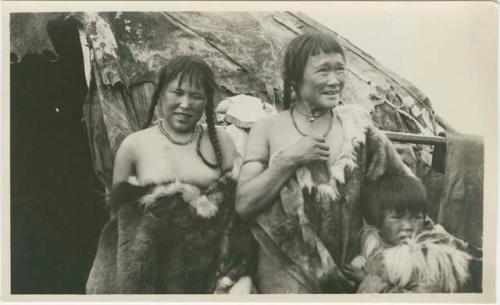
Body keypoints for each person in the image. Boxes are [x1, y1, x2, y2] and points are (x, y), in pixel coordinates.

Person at [235, 33, 414, 293]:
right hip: (285, 275)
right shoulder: (267, 129)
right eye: (323, 71)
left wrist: (375, 268)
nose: (335, 81)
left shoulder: (358, 129)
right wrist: (289, 160)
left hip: (346, 273)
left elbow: (402, 199)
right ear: (295, 79)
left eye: (339, 70)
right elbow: (244, 204)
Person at [86, 55, 256, 294]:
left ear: (207, 101)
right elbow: (122, 224)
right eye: (177, 92)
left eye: (196, 96)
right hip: (152, 279)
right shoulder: (134, 146)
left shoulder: (222, 142)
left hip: (210, 278)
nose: (186, 104)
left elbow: (237, 215)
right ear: (161, 93)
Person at [344, 174, 472, 293]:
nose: (407, 226)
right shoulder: (373, 252)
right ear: (377, 222)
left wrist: (368, 282)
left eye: (416, 217)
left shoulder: (427, 259)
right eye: (397, 217)